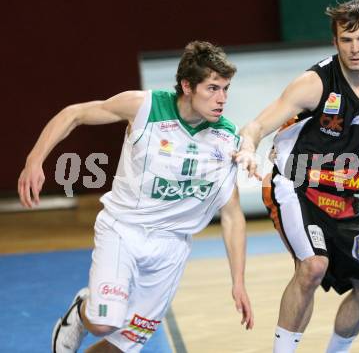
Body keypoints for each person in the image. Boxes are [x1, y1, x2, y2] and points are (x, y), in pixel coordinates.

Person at [18, 40, 254, 353]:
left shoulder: (227, 138)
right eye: (212, 88)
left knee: (122, 344)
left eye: (226, 88)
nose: (222, 99)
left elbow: (232, 213)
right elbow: (74, 114)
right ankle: (80, 311)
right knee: (104, 322)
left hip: (171, 248)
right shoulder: (144, 107)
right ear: (187, 85)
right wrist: (34, 160)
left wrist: (238, 280)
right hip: (123, 231)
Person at [235, 0, 359, 353]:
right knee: (313, 265)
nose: (354, 48)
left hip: (343, 196)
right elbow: (257, 124)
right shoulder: (314, 83)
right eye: (346, 40)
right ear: (335, 42)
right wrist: (247, 147)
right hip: (294, 184)